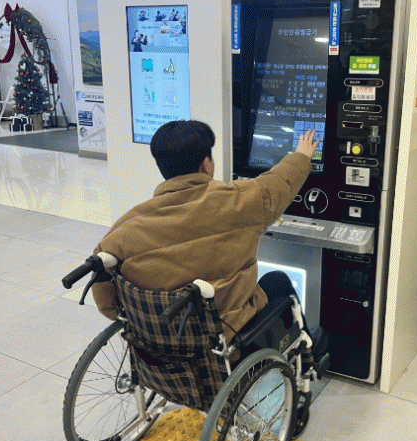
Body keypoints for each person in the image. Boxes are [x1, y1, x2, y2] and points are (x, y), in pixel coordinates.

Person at [91, 120, 320, 344]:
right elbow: (278, 183)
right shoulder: (240, 201)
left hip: (156, 345)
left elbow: (105, 296)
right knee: (277, 281)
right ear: (206, 165)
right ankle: (310, 351)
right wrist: (301, 156)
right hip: (225, 338)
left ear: (162, 167)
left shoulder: (127, 227)